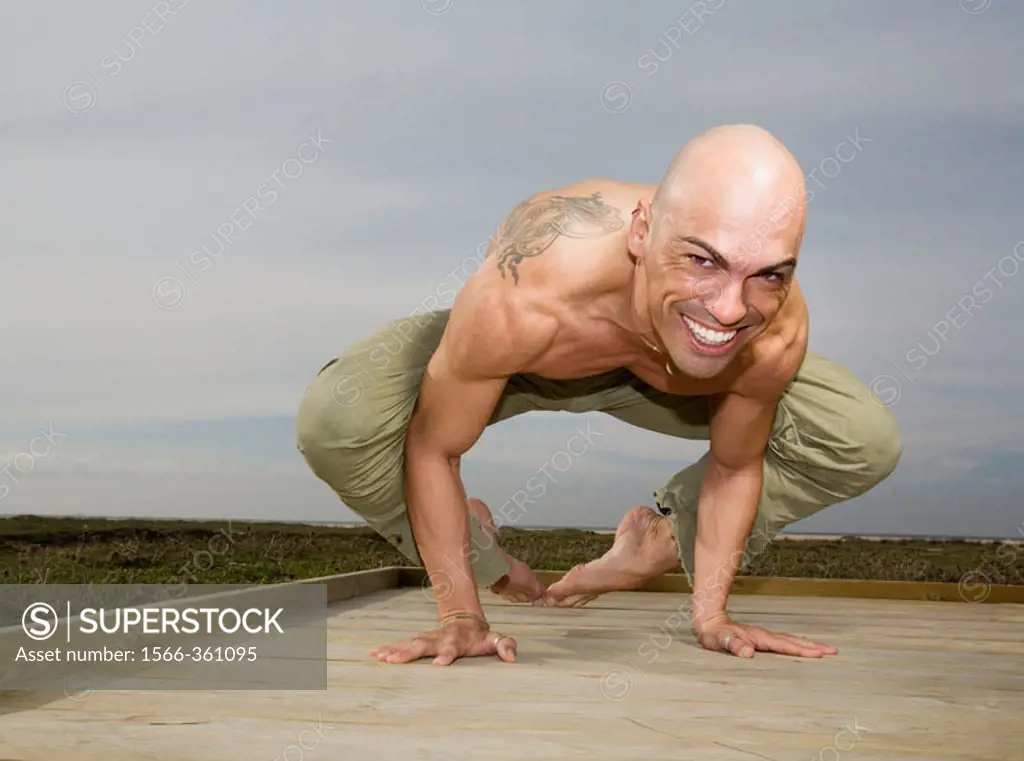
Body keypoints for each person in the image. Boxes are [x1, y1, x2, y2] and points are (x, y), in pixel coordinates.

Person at [295, 124, 901, 666]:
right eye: (701, 260)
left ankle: (655, 544)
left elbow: (736, 463)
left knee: (862, 438)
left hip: (683, 373)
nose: (730, 306)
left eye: (768, 273)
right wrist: (461, 614)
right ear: (642, 230)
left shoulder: (768, 330)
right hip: (529, 358)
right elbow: (434, 449)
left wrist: (711, 614)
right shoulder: (530, 292)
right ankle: (471, 546)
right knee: (336, 420)